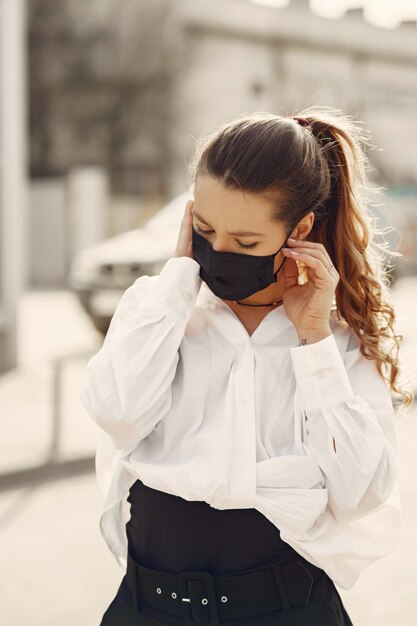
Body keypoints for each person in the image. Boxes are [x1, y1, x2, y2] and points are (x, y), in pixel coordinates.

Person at [80, 107, 412, 626]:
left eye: (246, 242)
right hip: (149, 608)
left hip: (286, 609)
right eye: (206, 229)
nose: (219, 251)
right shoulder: (159, 309)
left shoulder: (339, 339)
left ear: (299, 228)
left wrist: (313, 339)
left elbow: (359, 494)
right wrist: (177, 284)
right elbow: (117, 415)